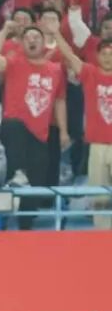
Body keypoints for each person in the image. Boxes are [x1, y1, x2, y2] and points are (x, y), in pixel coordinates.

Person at [0, 21, 68, 228]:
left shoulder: (55, 69)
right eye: (28, 37)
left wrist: (64, 131)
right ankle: (5, 220)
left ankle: (25, 227)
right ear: (21, 43)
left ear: (44, 43)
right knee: (15, 136)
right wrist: (4, 30)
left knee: (35, 183)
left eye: (36, 37)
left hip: (40, 134)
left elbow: (59, 101)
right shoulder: (15, 63)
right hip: (14, 128)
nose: (32, 40)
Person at [52, 28, 112, 229]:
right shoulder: (90, 74)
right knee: (99, 193)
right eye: (104, 54)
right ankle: (102, 233)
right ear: (97, 56)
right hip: (97, 144)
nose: (108, 58)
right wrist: (56, 33)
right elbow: (69, 55)